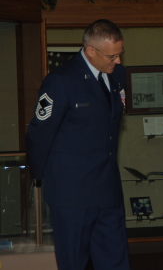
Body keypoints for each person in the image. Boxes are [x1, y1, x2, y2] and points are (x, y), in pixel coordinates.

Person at [26, 19, 130, 270]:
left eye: (120, 54)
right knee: (73, 262)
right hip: (72, 192)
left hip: (108, 189)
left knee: (116, 260)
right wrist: (43, 178)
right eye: (112, 56)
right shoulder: (61, 81)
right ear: (91, 50)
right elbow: (39, 134)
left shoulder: (118, 75)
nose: (117, 61)